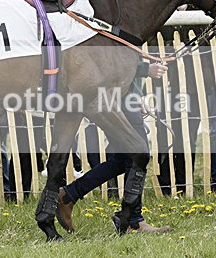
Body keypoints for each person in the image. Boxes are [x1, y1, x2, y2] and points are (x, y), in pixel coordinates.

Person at [56, 62, 172, 233]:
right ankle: (134, 221)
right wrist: (144, 69)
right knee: (138, 156)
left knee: (122, 160)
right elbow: (116, 57)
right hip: (118, 97)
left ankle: (69, 195)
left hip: (121, 95)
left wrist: (136, 95)